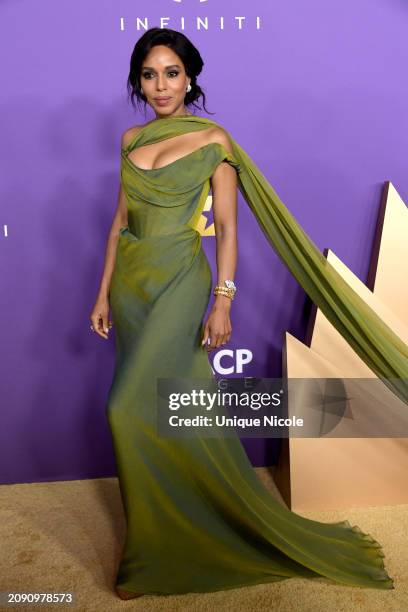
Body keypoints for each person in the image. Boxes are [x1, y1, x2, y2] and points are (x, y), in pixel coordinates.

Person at [90, 27, 397, 599]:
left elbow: (228, 228)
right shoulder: (130, 139)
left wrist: (222, 299)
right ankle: (154, 543)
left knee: (127, 409)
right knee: (175, 408)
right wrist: (103, 292)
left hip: (181, 280)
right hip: (133, 284)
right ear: (137, 80)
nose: (161, 85)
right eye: (150, 74)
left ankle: (170, 544)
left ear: (191, 78)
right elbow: (118, 223)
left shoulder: (214, 139)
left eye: (172, 73)